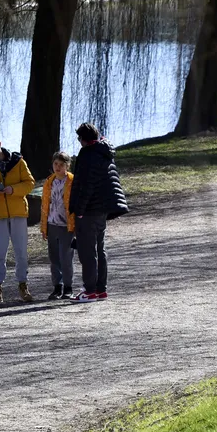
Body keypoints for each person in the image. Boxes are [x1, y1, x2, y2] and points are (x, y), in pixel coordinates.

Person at [67, 123, 129, 303]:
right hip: (102, 210)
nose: (79, 142)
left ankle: (90, 290)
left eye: (79, 139)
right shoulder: (105, 152)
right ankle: (101, 289)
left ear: (84, 139)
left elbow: (86, 185)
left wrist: (79, 210)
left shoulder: (88, 155)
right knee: (100, 249)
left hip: (88, 210)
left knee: (87, 251)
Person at [0, 131, 36, 304]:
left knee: (21, 252)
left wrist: (13, 190)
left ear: (0, 143)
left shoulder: (18, 162)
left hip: (18, 211)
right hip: (0, 214)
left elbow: (30, 183)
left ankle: (23, 286)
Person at [41, 151, 75, 300]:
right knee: (54, 258)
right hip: (51, 224)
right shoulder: (49, 182)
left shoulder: (72, 181)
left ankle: (68, 287)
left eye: (61, 165)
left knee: (66, 257)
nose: (58, 167)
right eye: (55, 164)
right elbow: (44, 205)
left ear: (67, 166)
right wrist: (44, 227)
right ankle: (57, 287)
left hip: (66, 225)